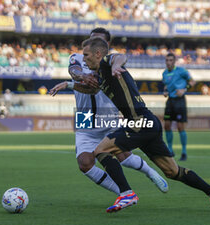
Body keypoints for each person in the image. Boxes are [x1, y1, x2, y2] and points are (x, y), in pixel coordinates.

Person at [79, 37, 210, 213]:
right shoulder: (101, 75)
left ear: (97, 53)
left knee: (101, 150)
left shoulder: (106, 63)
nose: (83, 58)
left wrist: (117, 65)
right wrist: (68, 83)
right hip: (148, 122)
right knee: (172, 171)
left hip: (139, 121)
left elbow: (119, 56)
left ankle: (126, 193)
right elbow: (90, 89)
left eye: (86, 54)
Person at [49, 27, 168, 197]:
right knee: (84, 163)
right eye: (92, 38)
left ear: (106, 45)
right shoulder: (79, 57)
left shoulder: (108, 63)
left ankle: (150, 173)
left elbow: (119, 60)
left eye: (98, 39)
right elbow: (73, 70)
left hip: (107, 114)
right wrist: (81, 76)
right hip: (84, 117)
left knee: (123, 155)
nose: (93, 42)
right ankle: (122, 192)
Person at [162, 53, 196, 161]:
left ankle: (184, 152)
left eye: (170, 60)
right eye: (167, 60)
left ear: (174, 61)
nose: (168, 62)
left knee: (180, 127)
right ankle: (170, 150)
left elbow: (193, 81)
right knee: (167, 125)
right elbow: (166, 85)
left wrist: (184, 89)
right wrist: (166, 91)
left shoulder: (181, 71)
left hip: (180, 101)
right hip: (170, 101)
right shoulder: (164, 73)